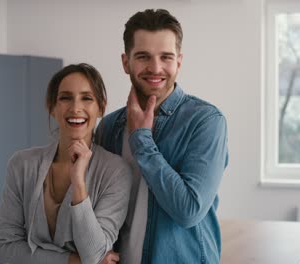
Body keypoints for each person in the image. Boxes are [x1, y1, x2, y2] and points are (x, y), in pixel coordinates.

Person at [95, 9, 229, 264]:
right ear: (126, 62)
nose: (155, 68)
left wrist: (141, 140)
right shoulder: (109, 127)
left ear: (179, 61)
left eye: (165, 57)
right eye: (143, 56)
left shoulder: (206, 121)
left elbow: (189, 210)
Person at [0, 63, 132, 264]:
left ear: (101, 107)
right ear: (52, 107)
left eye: (87, 98)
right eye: (65, 98)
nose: (75, 108)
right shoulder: (22, 165)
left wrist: (79, 183)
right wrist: (73, 261)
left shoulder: (116, 172)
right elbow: (4, 246)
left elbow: (94, 253)